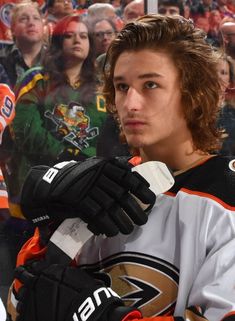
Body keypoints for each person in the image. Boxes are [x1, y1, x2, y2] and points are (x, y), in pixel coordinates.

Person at [7, 14, 235, 321]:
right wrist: (49, 227)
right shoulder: (97, 185)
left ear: (193, 94)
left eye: (150, 84)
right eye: (122, 86)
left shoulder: (227, 199)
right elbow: (20, 299)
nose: (131, 103)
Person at [0, 1, 46, 88]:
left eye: (36, 18)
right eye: (24, 19)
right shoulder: (1, 60)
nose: (31, 23)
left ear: (43, 26)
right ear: (13, 29)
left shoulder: (57, 60)